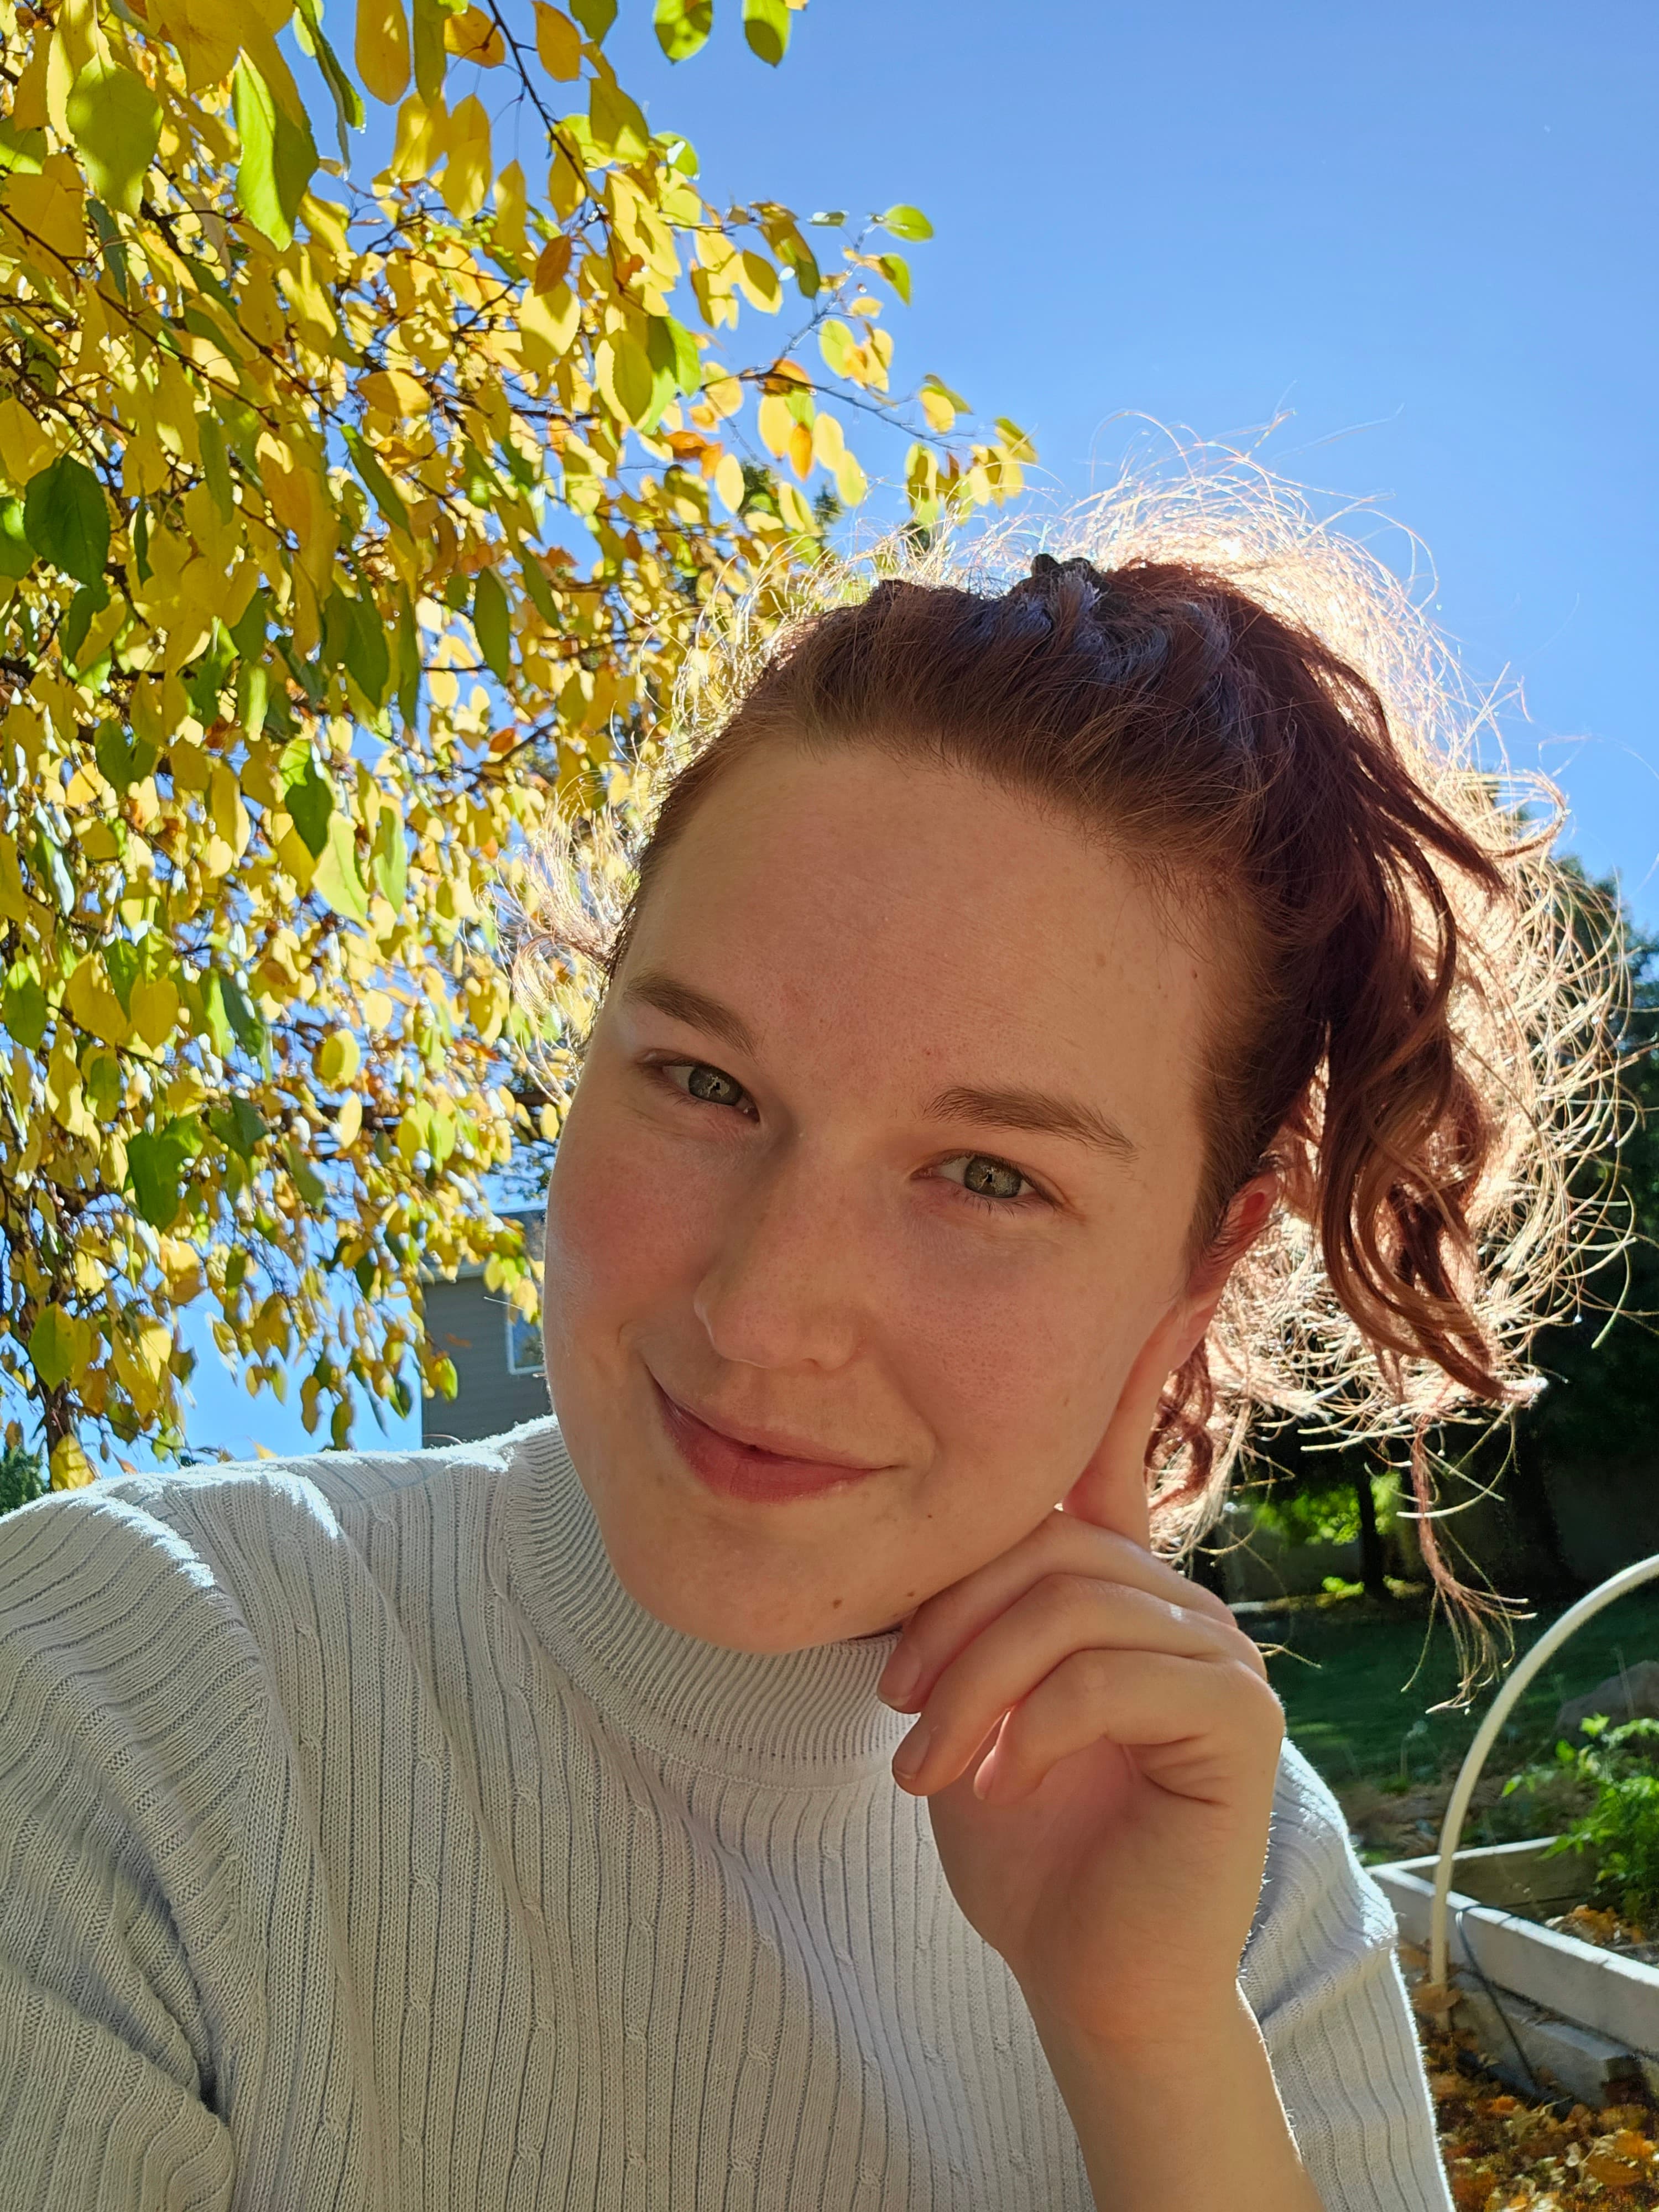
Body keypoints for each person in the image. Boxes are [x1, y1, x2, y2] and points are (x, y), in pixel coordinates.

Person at [0, 469, 1615, 2210]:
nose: (761, 1312)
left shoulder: (1247, 1875)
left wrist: (1150, 2047)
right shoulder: (126, 1692)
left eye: (989, 1176)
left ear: (1196, 1269)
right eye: (703, 1082)